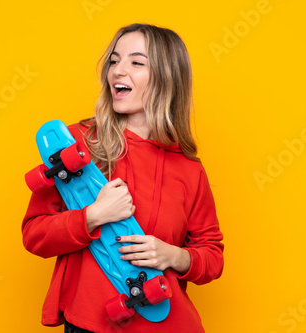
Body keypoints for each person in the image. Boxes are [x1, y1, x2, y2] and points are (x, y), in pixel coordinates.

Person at [22, 23, 224, 333]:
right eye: (114, 60)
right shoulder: (76, 145)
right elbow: (34, 235)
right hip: (90, 324)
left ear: (167, 78)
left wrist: (175, 255)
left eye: (136, 62)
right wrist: (92, 216)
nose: (118, 70)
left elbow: (212, 256)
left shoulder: (188, 168)